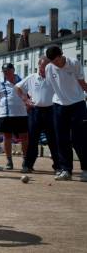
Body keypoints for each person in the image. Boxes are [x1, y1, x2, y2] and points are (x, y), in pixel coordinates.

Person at [44, 46, 87, 181]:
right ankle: (65, 169)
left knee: (79, 139)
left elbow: (82, 83)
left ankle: (85, 169)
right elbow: (51, 87)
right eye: (52, 61)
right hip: (59, 105)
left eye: (56, 60)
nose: (55, 64)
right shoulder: (49, 68)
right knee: (61, 139)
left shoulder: (74, 63)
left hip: (77, 104)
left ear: (61, 55)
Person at [15, 57, 58, 174]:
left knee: (53, 139)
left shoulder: (53, 77)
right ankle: (28, 165)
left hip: (51, 110)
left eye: (48, 66)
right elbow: (17, 87)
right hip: (36, 111)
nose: (46, 68)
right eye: (43, 65)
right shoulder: (32, 78)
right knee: (32, 140)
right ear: (39, 65)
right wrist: (26, 100)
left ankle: (58, 166)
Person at [0, 63, 28, 170]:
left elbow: (28, 95)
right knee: (7, 137)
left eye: (8, 71)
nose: (6, 73)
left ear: (13, 70)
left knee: (24, 137)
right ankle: (9, 161)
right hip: (5, 113)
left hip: (21, 113)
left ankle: (25, 161)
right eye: (4, 71)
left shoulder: (23, 81)